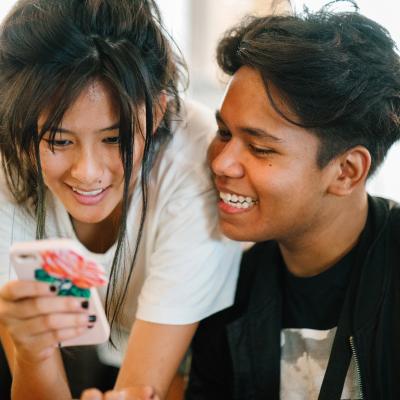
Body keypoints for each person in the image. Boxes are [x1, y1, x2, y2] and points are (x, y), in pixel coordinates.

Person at [0, 1, 241, 399]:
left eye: (116, 139)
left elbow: (144, 389)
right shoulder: (9, 162)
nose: (88, 172)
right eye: (59, 140)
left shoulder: (193, 169)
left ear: (159, 110)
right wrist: (33, 352)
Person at [185, 5, 400, 400]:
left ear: (346, 171)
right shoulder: (228, 288)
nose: (221, 162)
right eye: (223, 132)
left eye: (259, 147)